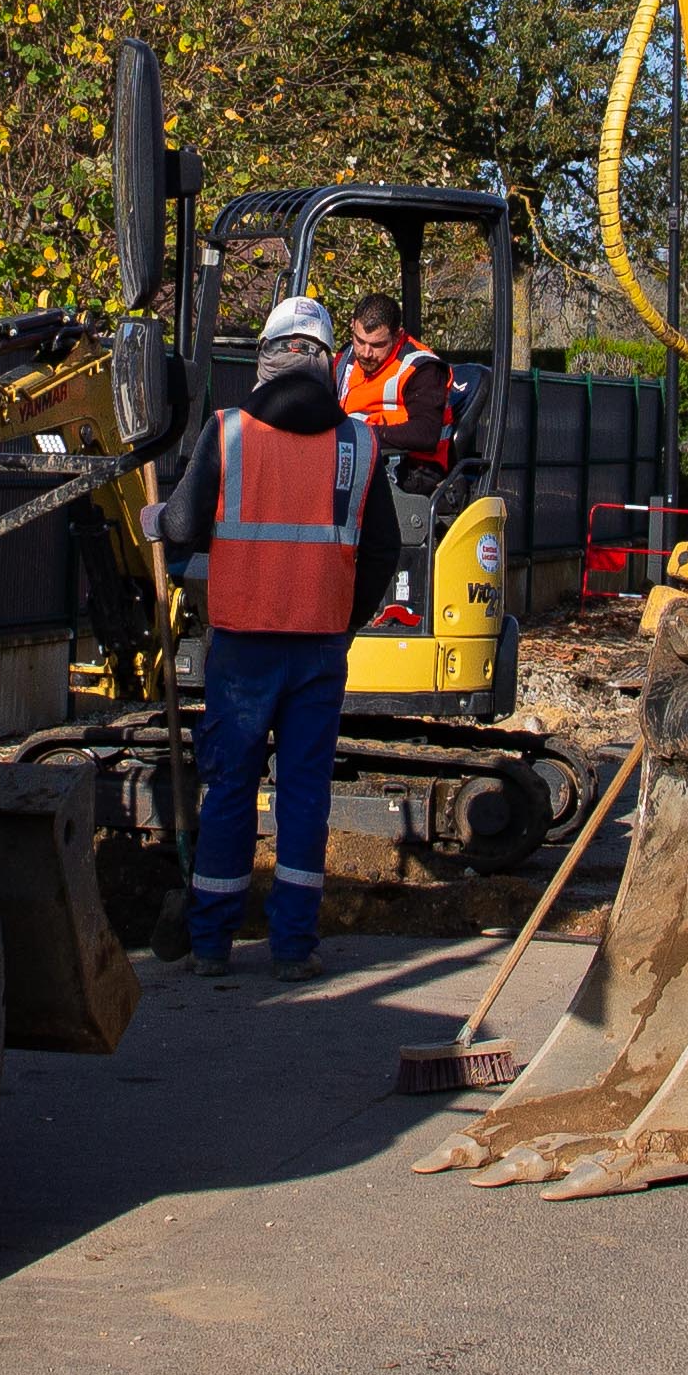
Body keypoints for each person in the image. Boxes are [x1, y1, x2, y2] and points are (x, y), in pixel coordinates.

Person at [154, 294, 404, 979]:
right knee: (304, 793)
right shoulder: (357, 441)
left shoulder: (230, 432)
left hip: (242, 646)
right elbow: (383, 552)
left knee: (230, 785)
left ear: (266, 356)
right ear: (329, 360)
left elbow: (178, 529)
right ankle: (293, 946)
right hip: (320, 648)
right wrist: (342, 618)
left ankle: (211, 945)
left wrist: (178, 530)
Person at [340, 293, 458, 573]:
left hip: (413, 469)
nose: (366, 353)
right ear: (353, 326)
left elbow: (425, 434)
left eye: (377, 345)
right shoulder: (345, 360)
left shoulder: (422, 369)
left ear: (398, 335)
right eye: (360, 341)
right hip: (360, 460)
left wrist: (365, 436)